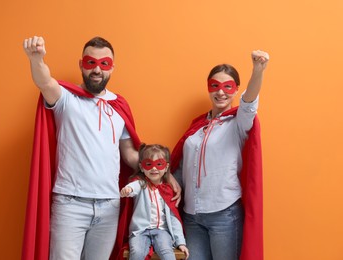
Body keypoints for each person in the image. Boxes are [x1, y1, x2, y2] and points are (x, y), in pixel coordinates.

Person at [21, 36, 181, 260]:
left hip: (109, 205)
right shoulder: (65, 98)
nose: (97, 69)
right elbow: (45, 82)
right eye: (90, 63)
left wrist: (164, 173)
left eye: (104, 64)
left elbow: (130, 155)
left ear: (112, 68)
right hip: (70, 203)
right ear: (81, 64)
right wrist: (36, 59)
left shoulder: (118, 106)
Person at [171, 50, 269, 260]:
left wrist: (258, 70)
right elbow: (181, 167)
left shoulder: (238, 123)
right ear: (208, 87)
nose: (221, 92)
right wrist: (168, 179)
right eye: (215, 86)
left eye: (228, 87)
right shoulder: (197, 127)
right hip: (192, 216)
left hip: (224, 215)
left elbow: (249, 104)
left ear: (236, 90)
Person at [120, 144, 189, 260]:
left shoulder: (168, 190)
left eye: (159, 164)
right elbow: (134, 187)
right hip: (140, 231)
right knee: (136, 252)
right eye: (148, 164)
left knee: (167, 253)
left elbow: (173, 218)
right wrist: (128, 189)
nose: (154, 168)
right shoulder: (140, 184)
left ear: (166, 167)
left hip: (162, 231)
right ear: (142, 167)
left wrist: (180, 242)